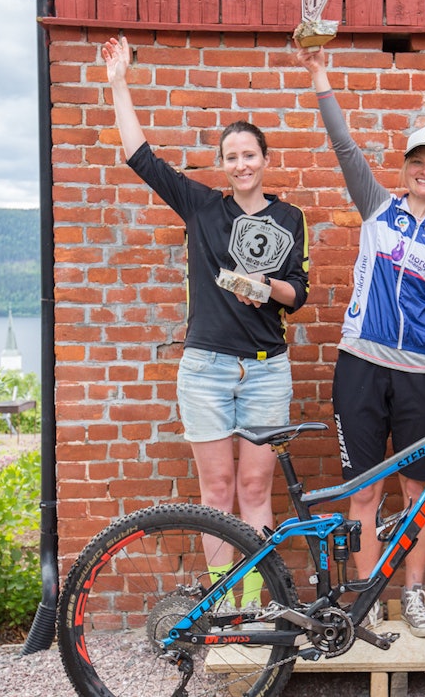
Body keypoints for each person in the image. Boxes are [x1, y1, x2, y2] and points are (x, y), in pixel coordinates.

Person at [103, 36, 310, 610]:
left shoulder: (290, 218)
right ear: (223, 165)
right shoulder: (202, 206)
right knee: (217, 491)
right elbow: (139, 156)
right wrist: (120, 82)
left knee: (255, 489)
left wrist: (267, 288)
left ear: (265, 160)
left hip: (268, 370)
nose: (241, 164)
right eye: (232, 156)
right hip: (207, 368)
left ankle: (257, 600)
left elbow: (300, 293)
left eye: (250, 154)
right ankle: (224, 606)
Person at [295, 44, 425, 638]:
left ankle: (415, 595)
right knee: (364, 495)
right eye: (418, 160)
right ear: (404, 166)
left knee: (418, 496)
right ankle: (365, 605)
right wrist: (321, 79)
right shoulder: (375, 207)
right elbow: (344, 146)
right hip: (361, 367)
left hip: (421, 375)